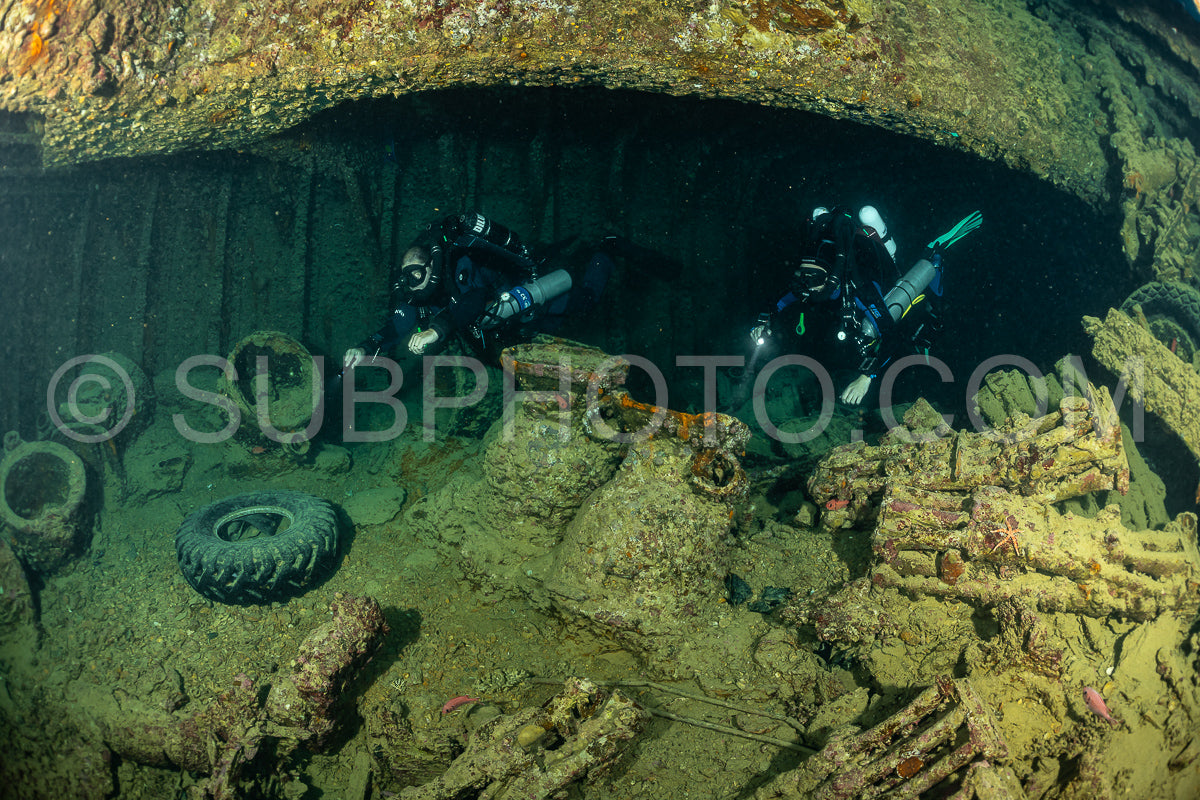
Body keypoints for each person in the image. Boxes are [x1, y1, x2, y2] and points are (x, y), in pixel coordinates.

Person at [740, 204, 982, 407]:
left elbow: (892, 336)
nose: (804, 286)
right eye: (801, 277)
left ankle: (934, 254)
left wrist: (866, 377)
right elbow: (778, 302)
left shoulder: (859, 291)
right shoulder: (806, 285)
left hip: (883, 277)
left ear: (830, 277)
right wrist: (764, 321)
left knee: (899, 318)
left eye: (812, 279)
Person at [343, 212, 614, 369]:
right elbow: (396, 327)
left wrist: (435, 330)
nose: (412, 282)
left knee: (585, 302)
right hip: (511, 328)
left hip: (525, 302)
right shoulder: (417, 295)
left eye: (416, 273)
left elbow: (475, 299)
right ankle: (579, 252)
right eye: (406, 277)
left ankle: (604, 250)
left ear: (431, 264)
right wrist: (364, 347)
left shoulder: (460, 267)